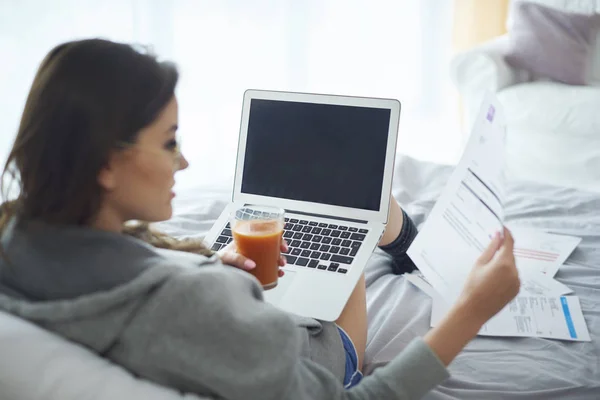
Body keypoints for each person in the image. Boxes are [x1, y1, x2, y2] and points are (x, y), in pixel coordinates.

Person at [0, 39, 520, 399]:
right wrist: (471, 310)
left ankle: (389, 222)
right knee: (357, 227)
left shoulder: (16, 240)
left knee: (349, 217)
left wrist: (212, 266)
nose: (183, 162)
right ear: (107, 165)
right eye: (169, 141)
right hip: (306, 350)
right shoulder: (179, 306)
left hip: (237, 322)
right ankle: (391, 225)